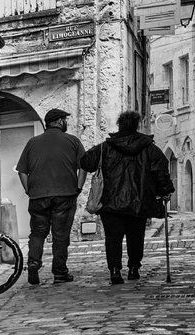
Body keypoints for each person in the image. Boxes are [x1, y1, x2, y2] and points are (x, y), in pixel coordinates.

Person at [79, 110, 174, 284]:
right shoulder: (149, 148)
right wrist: (165, 190)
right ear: (137, 125)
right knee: (136, 236)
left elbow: (86, 162)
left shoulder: (104, 147)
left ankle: (115, 270)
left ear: (119, 125)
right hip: (139, 201)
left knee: (113, 238)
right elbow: (160, 170)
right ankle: (133, 268)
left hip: (110, 202)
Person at [16, 107, 85, 285]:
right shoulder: (73, 141)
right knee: (60, 234)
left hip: (38, 195)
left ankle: (33, 262)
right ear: (60, 121)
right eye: (65, 120)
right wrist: (78, 187)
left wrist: (28, 190)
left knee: (38, 232)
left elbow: (22, 171)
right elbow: (84, 166)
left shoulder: (32, 142)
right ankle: (60, 272)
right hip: (65, 193)